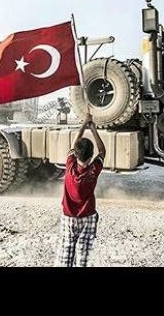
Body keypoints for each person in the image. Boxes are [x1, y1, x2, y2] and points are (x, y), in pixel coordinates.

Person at [54, 113, 106, 267]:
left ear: (75, 154)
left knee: (66, 254)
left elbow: (75, 142)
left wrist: (85, 123)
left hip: (68, 218)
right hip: (88, 218)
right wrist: (94, 129)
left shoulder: (70, 164)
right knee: (83, 258)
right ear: (90, 157)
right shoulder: (93, 170)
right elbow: (102, 151)